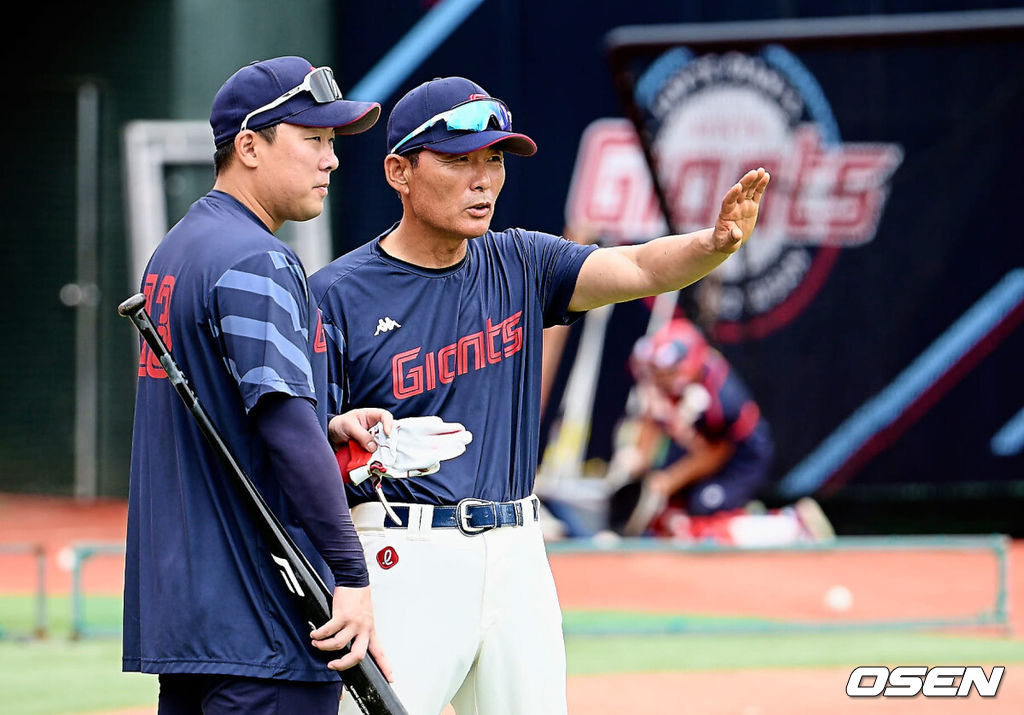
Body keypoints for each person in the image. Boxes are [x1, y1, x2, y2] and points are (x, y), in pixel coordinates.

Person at [308, 75, 770, 714]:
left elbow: (635, 269)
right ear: (399, 171)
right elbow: (304, 444)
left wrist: (711, 245)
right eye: (457, 159)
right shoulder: (336, 294)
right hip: (399, 551)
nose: (483, 179)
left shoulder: (521, 262)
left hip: (517, 552)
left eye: (493, 159)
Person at [122, 56, 395, 714]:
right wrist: (352, 576)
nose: (330, 160)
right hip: (266, 623)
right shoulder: (258, 257)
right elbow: (283, 428)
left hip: (193, 625)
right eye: (314, 140)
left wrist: (328, 421)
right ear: (249, 145)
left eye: (332, 143)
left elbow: (223, 410)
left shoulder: (180, 248)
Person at [607, 318, 833, 545]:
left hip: (738, 459)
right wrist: (636, 462)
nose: (658, 378)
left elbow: (714, 454)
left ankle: (790, 523)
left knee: (701, 511)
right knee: (667, 511)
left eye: (665, 372)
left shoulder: (721, 400)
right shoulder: (664, 382)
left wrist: (668, 480)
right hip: (694, 449)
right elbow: (654, 420)